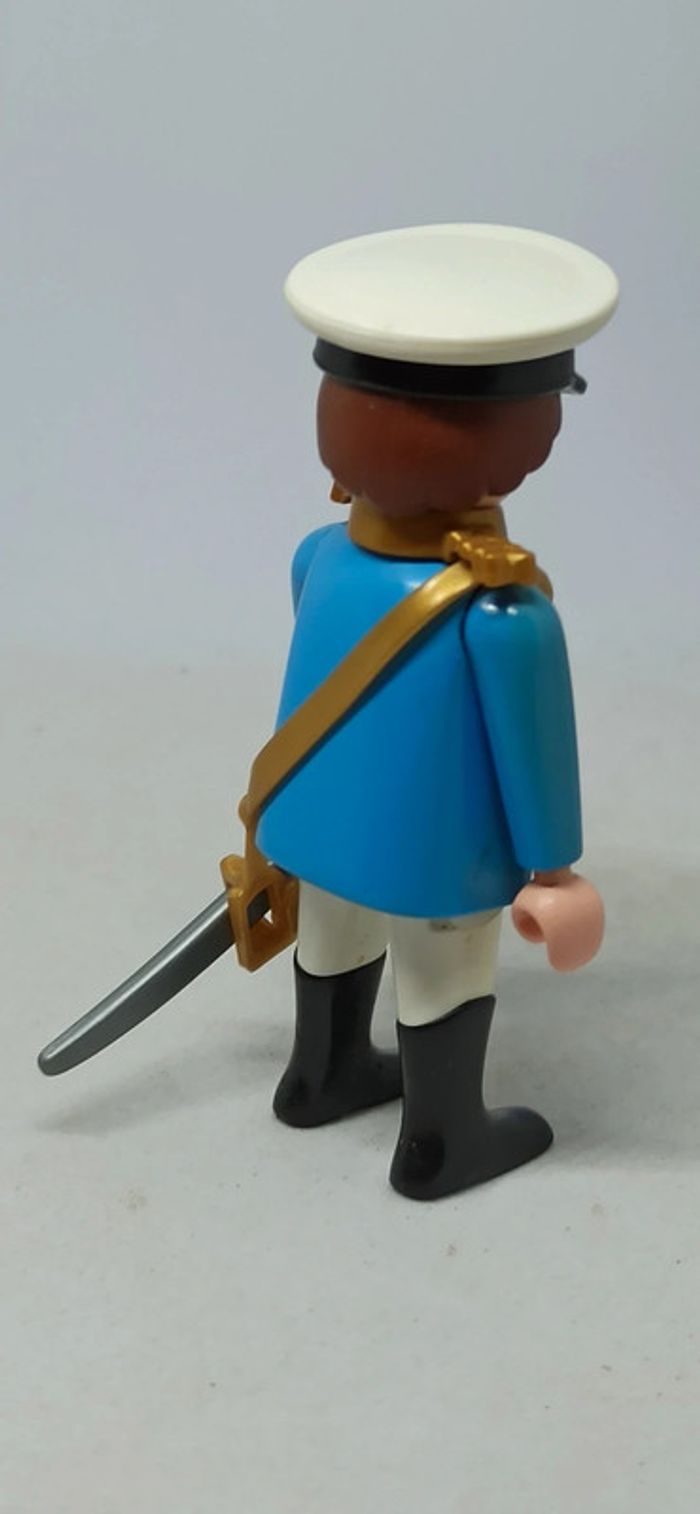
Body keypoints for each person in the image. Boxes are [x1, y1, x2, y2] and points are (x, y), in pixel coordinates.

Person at [257, 224, 618, 1200]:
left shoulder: (319, 557)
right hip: (435, 847)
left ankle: (320, 1073)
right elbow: (533, 750)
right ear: (517, 447)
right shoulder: (503, 613)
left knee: (333, 929)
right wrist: (555, 871)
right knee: (443, 962)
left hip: (311, 822)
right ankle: (440, 1140)